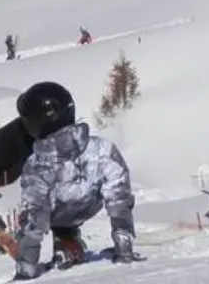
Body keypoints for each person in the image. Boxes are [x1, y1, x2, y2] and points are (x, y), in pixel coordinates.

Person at [9, 81, 136, 280]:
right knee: (116, 199)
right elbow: (119, 199)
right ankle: (69, 243)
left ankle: (65, 240)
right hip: (90, 204)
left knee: (39, 217)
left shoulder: (37, 166)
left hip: (58, 214)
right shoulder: (103, 149)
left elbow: (34, 219)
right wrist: (124, 246)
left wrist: (26, 268)